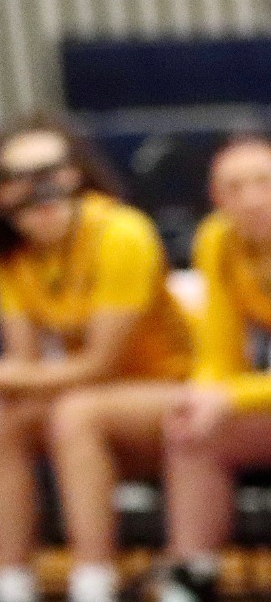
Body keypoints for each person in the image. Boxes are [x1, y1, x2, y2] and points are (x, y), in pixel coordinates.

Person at [0, 115, 192, 602]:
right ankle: (12, 583)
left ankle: (93, 584)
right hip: (94, 395)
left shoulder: (122, 233)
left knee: (76, 414)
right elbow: (25, 366)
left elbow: (100, 364)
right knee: (2, 419)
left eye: (50, 173)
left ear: (76, 175)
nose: (38, 192)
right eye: (18, 179)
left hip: (171, 392)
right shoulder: (10, 257)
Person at [155, 135, 271, 602]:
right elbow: (218, 356)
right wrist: (202, 398)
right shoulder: (217, 240)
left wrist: (229, 398)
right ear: (216, 198)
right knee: (194, 430)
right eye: (234, 188)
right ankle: (192, 574)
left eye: (264, 182)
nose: (252, 199)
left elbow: (233, 389)